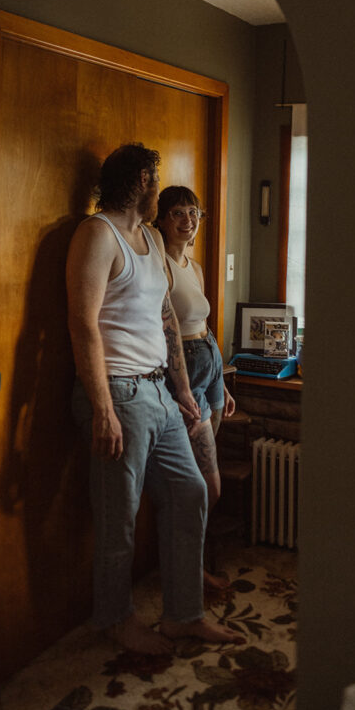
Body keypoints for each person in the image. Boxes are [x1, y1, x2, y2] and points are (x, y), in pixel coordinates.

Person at [66, 143, 242, 653]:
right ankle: (113, 620)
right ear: (141, 180)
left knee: (189, 495)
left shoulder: (146, 236)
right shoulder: (95, 235)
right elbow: (82, 323)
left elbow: (166, 315)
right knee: (117, 516)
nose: (158, 189)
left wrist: (183, 390)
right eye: (155, 179)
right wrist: (101, 407)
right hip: (117, 393)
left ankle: (183, 616)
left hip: (160, 390)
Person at [155, 185, 236, 590]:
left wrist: (222, 378)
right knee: (199, 486)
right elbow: (165, 330)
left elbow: (203, 325)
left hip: (210, 368)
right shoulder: (161, 265)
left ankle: (193, 564)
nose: (188, 222)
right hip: (182, 377)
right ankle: (190, 570)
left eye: (194, 213)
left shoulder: (195, 266)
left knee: (208, 484)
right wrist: (184, 384)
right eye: (178, 214)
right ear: (162, 219)